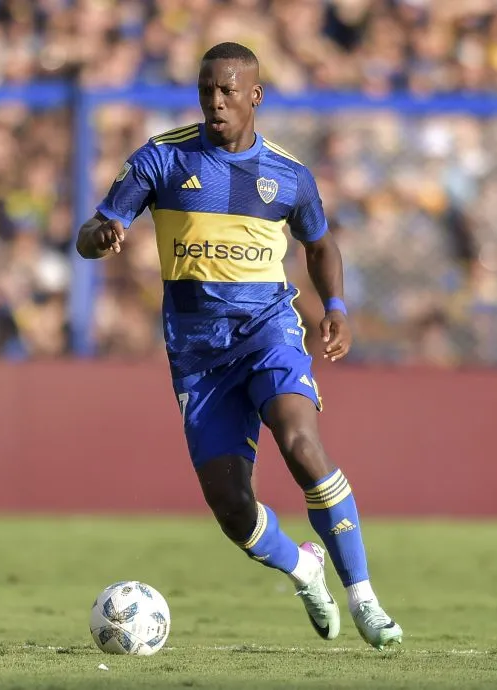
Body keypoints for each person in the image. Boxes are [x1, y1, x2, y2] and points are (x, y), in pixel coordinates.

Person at [76, 42, 402, 650]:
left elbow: (321, 244)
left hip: (268, 331)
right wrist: (103, 234)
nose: (214, 102)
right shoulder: (161, 160)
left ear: (255, 95)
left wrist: (335, 308)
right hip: (199, 355)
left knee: (302, 445)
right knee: (231, 507)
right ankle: (305, 569)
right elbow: (89, 235)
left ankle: (365, 597)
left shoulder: (287, 175)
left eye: (227, 90)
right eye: (206, 90)